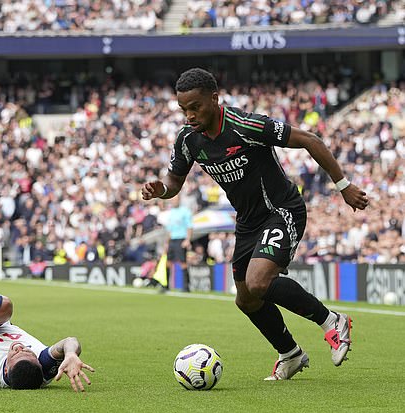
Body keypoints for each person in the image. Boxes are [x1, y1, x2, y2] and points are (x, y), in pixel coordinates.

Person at [141, 68, 369, 381]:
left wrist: (343, 186)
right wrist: (161, 190)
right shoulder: (188, 139)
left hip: (282, 209)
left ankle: (332, 321)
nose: (190, 115)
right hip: (248, 223)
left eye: (196, 107)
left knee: (260, 282)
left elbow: (309, 139)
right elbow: (174, 180)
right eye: (184, 109)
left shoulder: (246, 125)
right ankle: (290, 354)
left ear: (215, 98)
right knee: (246, 298)